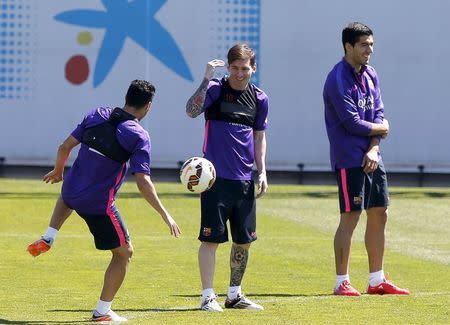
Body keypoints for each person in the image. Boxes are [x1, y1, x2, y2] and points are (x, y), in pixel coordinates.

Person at [27, 80, 181, 322]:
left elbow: (64, 146)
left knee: (69, 193)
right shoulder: (139, 135)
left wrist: (58, 171)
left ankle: (49, 235)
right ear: (148, 106)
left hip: (71, 193)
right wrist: (165, 214)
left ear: (126, 97)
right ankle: (102, 311)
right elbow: (143, 182)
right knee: (124, 253)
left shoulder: (97, 113)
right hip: (98, 205)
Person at [323, 22, 409, 296]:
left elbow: (378, 114)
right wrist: (380, 130)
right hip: (349, 158)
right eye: (364, 45)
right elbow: (352, 122)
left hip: (372, 155)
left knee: (380, 213)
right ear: (348, 46)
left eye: (371, 44)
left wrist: (374, 148)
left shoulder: (371, 74)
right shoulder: (337, 78)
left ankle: (376, 280)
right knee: (350, 216)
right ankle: (341, 282)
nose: (369, 49)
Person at [185, 43, 269, 312]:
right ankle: (208, 296)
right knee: (211, 240)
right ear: (228, 67)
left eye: (245, 68)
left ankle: (234, 295)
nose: (239, 74)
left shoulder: (260, 98)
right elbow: (190, 110)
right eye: (234, 68)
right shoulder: (215, 89)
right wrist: (206, 77)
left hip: (244, 180)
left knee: (244, 241)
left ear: (253, 68)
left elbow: (259, 136)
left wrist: (262, 170)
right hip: (214, 181)